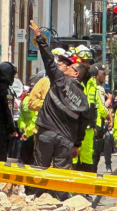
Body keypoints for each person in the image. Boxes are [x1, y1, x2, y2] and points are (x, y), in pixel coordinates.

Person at [30, 20, 91, 171]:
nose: (67, 67)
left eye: (71, 67)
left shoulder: (60, 79)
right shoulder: (83, 99)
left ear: (76, 74)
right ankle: (58, 195)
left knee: (39, 172)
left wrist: (39, 37)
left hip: (47, 133)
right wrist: (76, 145)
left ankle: (37, 194)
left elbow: (48, 60)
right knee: (60, 176)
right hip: (66, 140)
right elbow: (82, 125)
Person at [74, 63, 109, 173]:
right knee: (86, 155)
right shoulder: (92, 85)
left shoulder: (86, 84)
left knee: (78, 155)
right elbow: (99, 107)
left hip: (83, 124)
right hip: (88, 125)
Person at [17, 87, 37, 165]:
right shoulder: (35, 101)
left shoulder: (25, 100)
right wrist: (27, 132)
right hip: (32, 133)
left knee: (24, 158)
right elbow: (35, 119)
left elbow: (21, 117)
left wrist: (23, 128)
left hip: (25, 132)